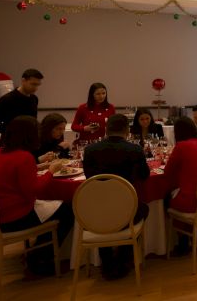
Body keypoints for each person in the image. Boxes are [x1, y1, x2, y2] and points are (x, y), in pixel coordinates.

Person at [0, 116, 73, 276]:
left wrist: (39, 166)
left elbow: (14, 177)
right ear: (29, 135)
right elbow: (35, 190)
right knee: (69, 209)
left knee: (57, 206)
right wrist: (51, 171)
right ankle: (40, 258)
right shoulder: (23, 157)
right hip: (14, 217)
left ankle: (37, 253)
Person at [82, 114, 150, 280]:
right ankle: (123, 258)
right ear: (127, 130)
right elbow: (145, 175)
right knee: (144, 208)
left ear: (106, 129)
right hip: (127, 210)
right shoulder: (135, 150)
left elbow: (89, 178)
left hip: (96, 213)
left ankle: (107, 261)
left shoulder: (90, 150)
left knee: (100, 212)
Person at [163, 116, 197, 255]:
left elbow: (168, 172)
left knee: (166, 199)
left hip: (192, 202)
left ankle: (182, 242)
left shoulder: (181, 146)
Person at [0, 68, 43, 138]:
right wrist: (12, 133)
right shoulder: (6, 100)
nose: (36, 88)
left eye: (38, 85)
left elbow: (33, 121)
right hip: (10, 142)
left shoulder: (34, 99)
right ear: (23, 81)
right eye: (33, 84)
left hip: (28, 141)